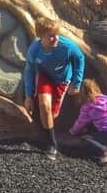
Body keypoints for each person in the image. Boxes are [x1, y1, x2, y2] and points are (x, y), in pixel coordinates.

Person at [23, 16, 85, 160]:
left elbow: (79, 58)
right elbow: (29, 71)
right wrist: (28, 95)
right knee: (44, 104)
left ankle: (44, 135)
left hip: (62, 80)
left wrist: (76, 82)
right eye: (51, 36)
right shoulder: (34, 49)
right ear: (41, 37)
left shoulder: (67, 46)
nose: (56, 38)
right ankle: (51, 144)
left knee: (52, 114)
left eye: (57, 34)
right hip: (45, 77)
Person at [69, 78, 107, 164]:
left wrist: (73, 132)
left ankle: (106, 153)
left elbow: (80, 123)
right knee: (100, 130)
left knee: (85, 139)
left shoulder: (88, 107)